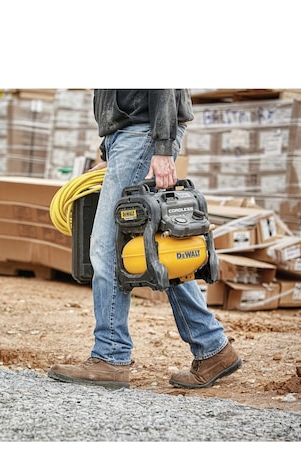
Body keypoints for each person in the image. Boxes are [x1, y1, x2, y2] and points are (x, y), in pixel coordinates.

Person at [48, 89, 242, 390]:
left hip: (142, 136)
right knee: (155, 250)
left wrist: (162, 148)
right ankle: (212, 348)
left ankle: (110, 356)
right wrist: (109, 151)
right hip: (131, 137)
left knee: (107, 249)